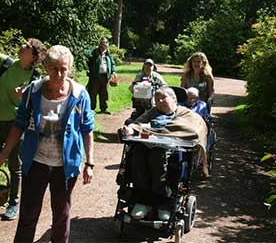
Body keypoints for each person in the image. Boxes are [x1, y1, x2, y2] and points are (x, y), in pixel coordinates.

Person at [0, 45, 95, 243]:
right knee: (28, 214)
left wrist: (90, 163)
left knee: (61, 216)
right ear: (46, 68)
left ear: (69, 69)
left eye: (64, 69)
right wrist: (4, 154)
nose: (59, 73)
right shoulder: (34, 91)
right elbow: (19, 123)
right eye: (54, 68)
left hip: (65, 167)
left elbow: (87, 130)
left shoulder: (80, 95)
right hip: (35, 162)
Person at [0, 20, 47, 224]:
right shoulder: (5, 63)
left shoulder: (35, 78)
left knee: (15, 166)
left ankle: (13, 204)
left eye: (28, 46)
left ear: (34, 57)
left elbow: (35, 105)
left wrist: (24, 96)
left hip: (16, 125)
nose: (23, 46)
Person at [122, 86, 208, 220]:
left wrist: (162, 130)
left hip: (173, 151)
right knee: (137, 152)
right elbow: (137, 123)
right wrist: (131, 130)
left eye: (163, 98)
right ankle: (143, 202)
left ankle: (162, 203)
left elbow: (195, 129)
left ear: (174, 99)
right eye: (157, 99)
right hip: (148, 146)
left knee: (157, 155)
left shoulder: (185, 113)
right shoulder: (153, 112)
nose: (160, 101)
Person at [86, 38, 116, 114]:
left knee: (104, 93)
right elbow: (88, 60)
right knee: (93, 92)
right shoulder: (94, 53)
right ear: (100, 45)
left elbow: (112, 64)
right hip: (95, 76)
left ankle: (104, 108)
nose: (104, 47)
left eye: (105, 46)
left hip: (105, 76)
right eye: (102, 45)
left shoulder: (108, 54)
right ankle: (91, 109)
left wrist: (113, 71)